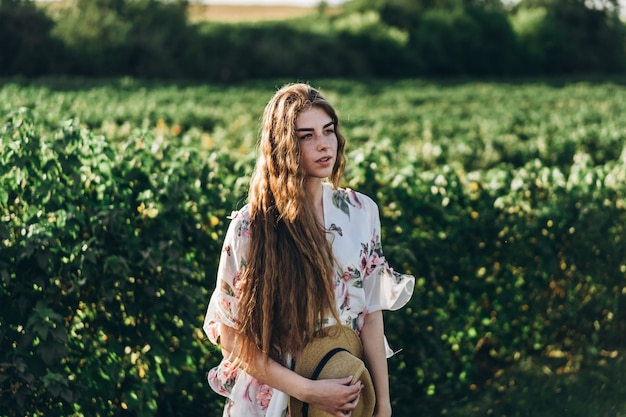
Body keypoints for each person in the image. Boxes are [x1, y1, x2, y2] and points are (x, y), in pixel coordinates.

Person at [203, 83, 415, 417]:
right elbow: (230, 336)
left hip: (342, 386)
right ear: (283, 146)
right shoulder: (252, 226)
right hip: (273, 398)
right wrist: (309, 391)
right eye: (306, 136)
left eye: (328, 131)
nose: (323, 144)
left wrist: (383, 405)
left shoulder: (361, 212)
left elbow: (371, 316)